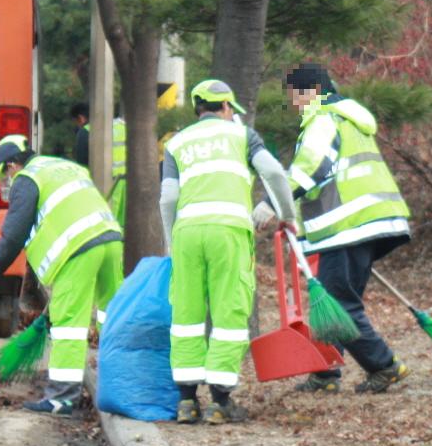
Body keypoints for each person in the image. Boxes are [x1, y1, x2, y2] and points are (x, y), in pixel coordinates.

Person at [160, 79, 295, 424]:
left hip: (187, 233)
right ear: (225, 108)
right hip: (228, 231)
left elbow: (169, 198)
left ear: (198, 109)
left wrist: (171, 240)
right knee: (229, 310)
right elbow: (275, 172)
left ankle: (187, 401)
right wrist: (287, 215)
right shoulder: (242, 135)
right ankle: (221, 401)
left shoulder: (177, 143)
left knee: (186, 314)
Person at [272, 62, 411, 394]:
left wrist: (277, 202)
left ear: (313, 91)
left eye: (296, 96)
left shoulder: (324, 119)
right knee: (334, 303)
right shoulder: (349, 120)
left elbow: (312, 167)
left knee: (339, 303)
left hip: (349, 224)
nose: (294, 104)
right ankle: (325, 372)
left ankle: (384, 366)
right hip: (365, 222)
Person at [0, 134, 122, 415]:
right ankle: (119, 383)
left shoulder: (27, 179)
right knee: (111, 313)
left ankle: (62, 399)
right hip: (109, 238)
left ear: (12, 165)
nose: (7, 178)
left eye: (5, 172)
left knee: (69, 324)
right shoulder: (62, 167)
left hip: (79, 248)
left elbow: (15, 231)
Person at [69, 102, 89, 166]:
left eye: (75, 122)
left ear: (81, 118)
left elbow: (81, 162)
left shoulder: (84, 132)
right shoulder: (111, 128)